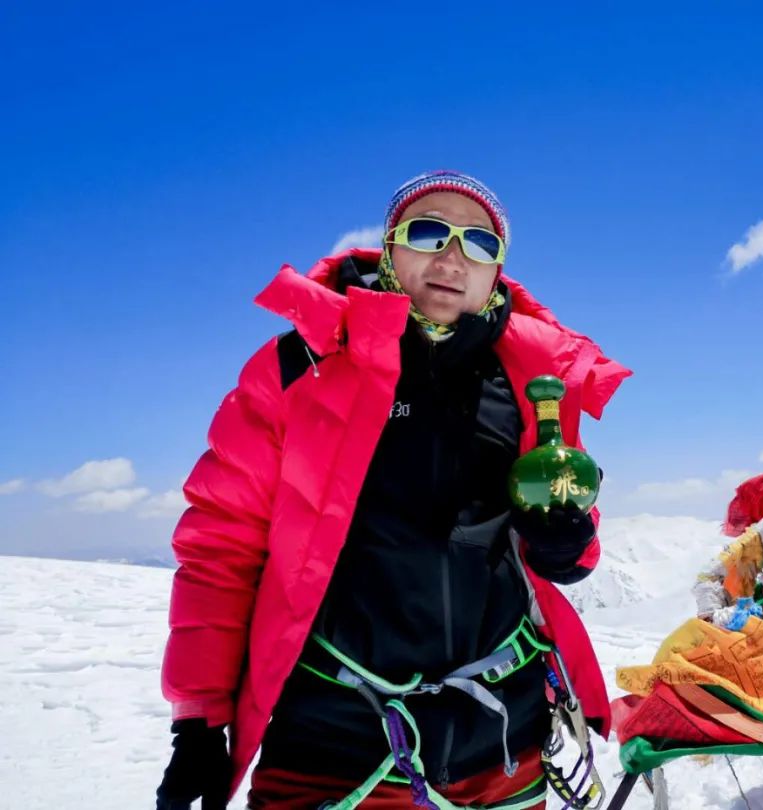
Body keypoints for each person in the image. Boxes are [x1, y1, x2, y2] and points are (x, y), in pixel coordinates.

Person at [155, 171, 630, 809]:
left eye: (479, 245)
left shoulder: (530, 381)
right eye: (429, 232)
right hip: (335, 748)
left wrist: (565, 545)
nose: (453, 258)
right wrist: (199, 718)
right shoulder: (300, 370)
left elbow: (566, 530)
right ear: (389, 249)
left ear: (497, 273)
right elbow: (221, 543)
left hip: (500, 748)